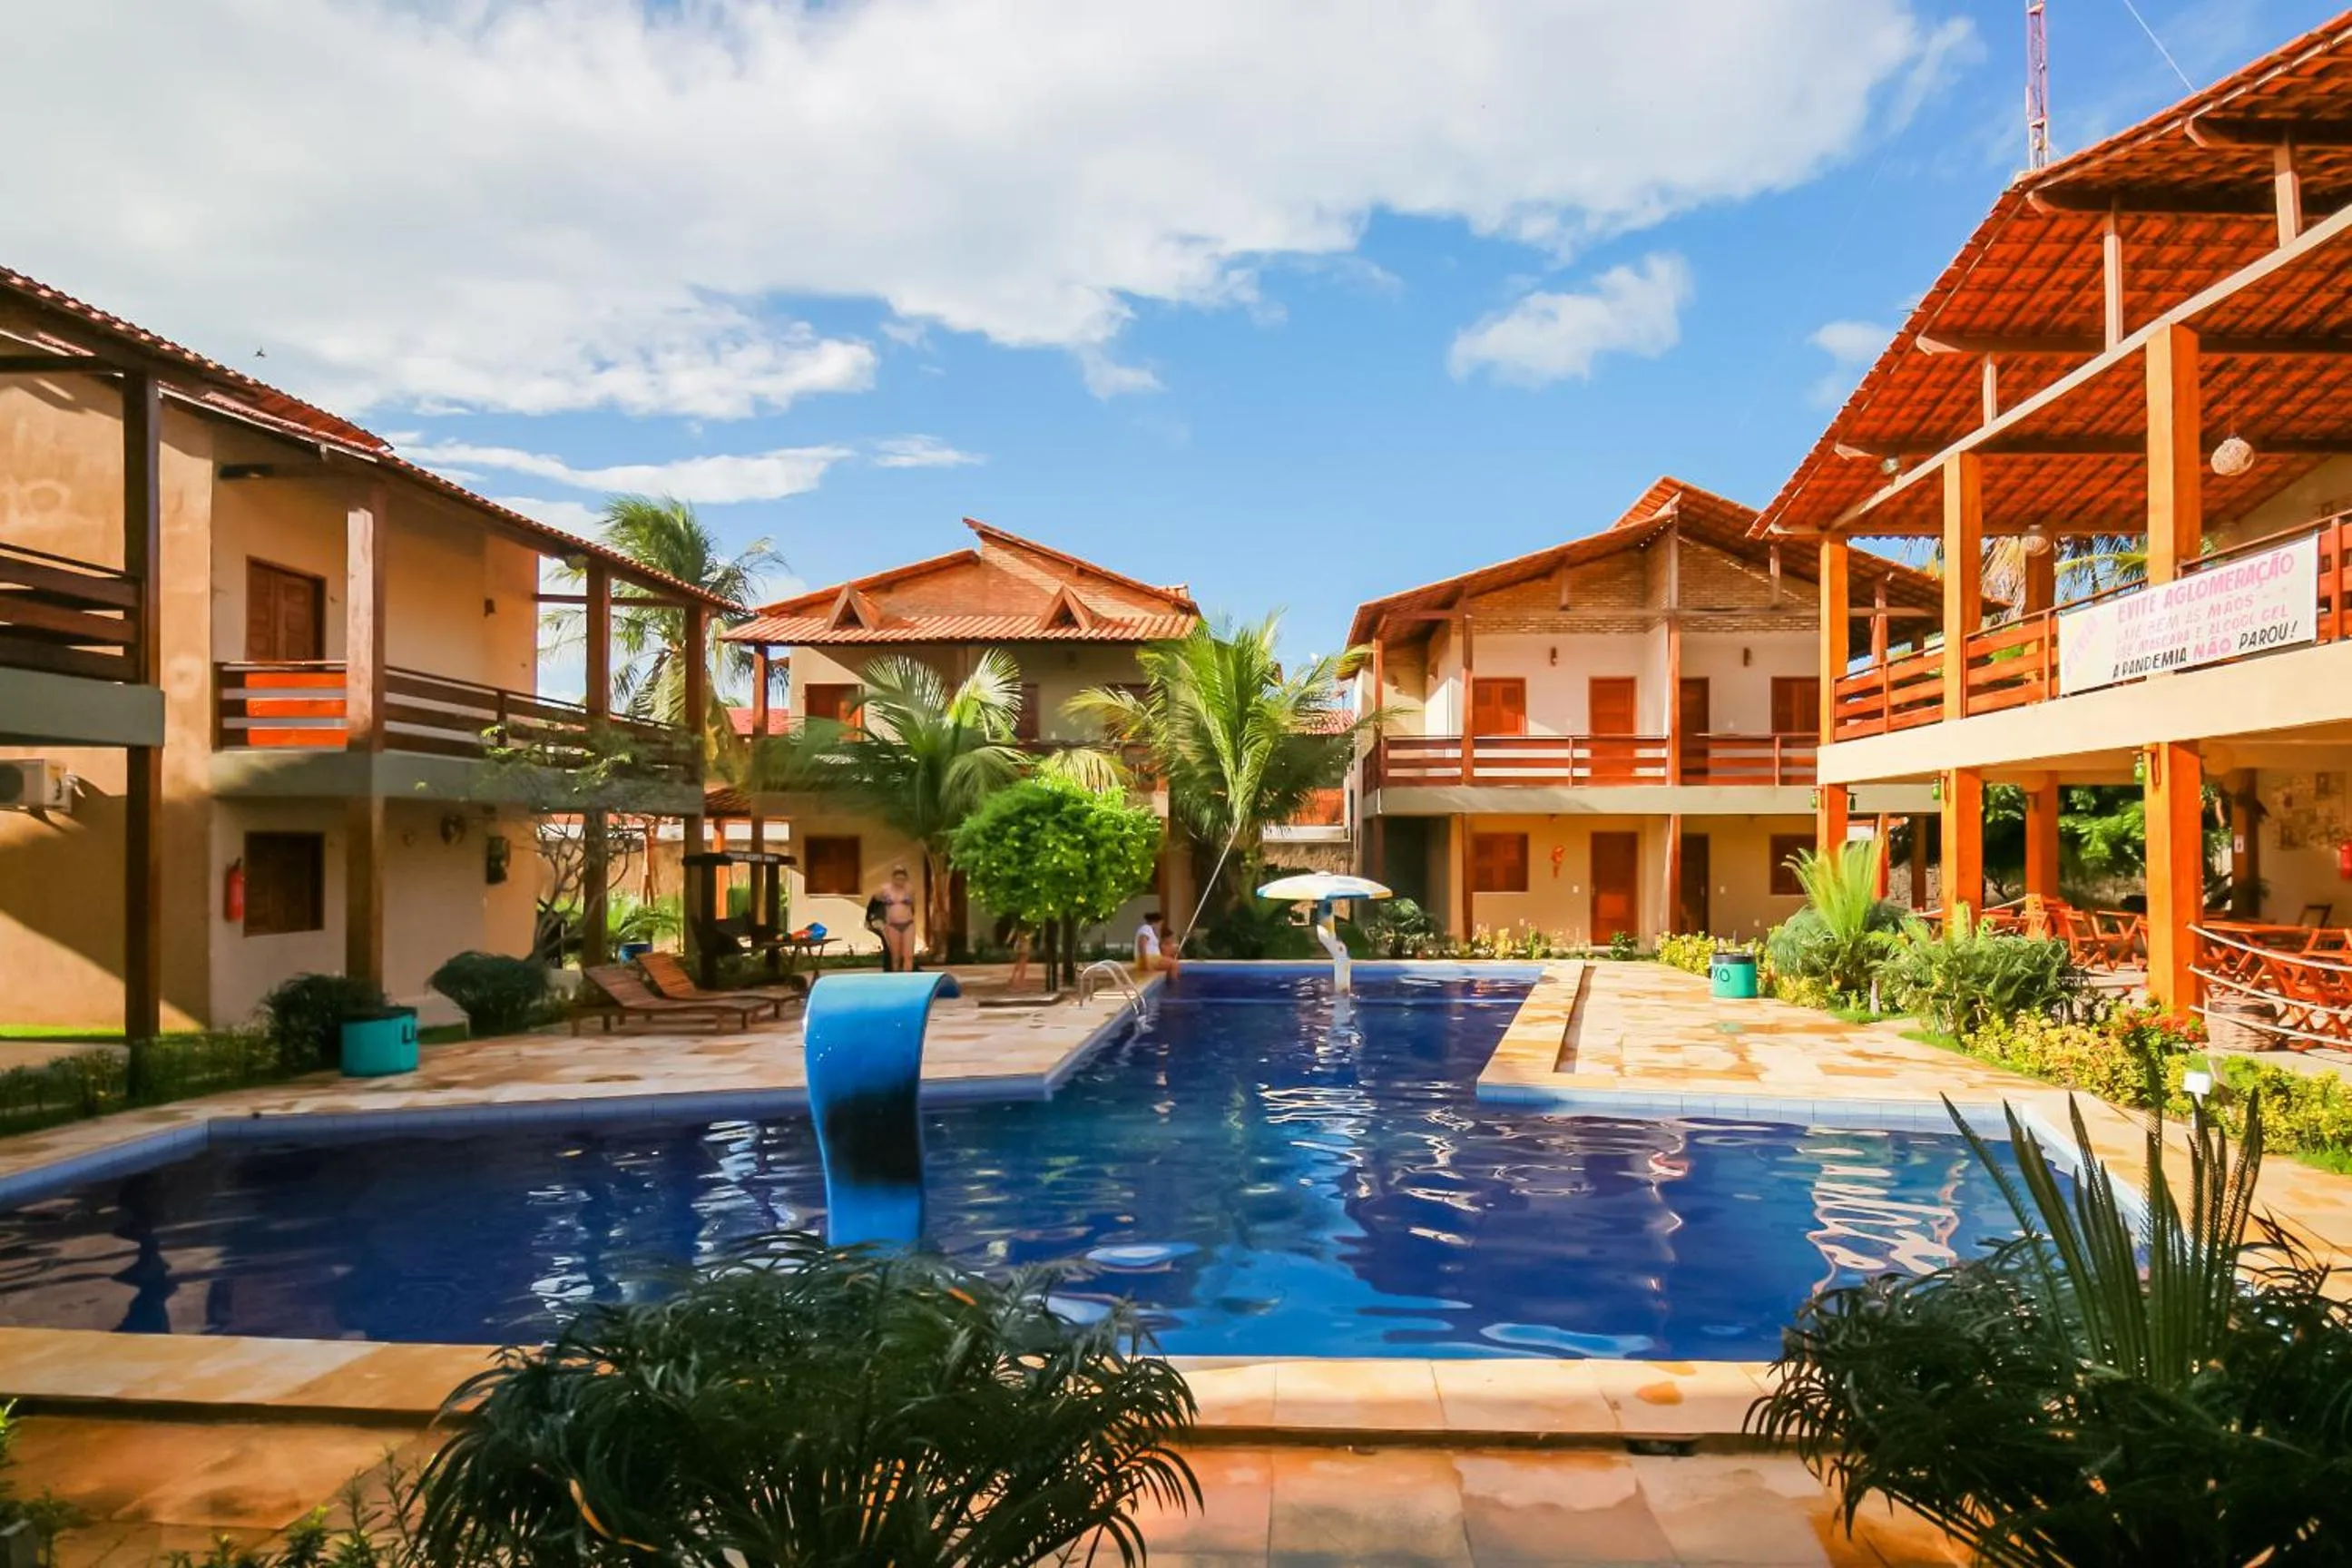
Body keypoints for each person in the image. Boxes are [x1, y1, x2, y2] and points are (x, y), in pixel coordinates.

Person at [875, 866, 918, 973]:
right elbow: (875, 900)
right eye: (898, 879)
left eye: (902, 879)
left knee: (908, 955)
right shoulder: (885, 889)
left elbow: (914, 906)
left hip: (908, 924)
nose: (900, 882)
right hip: (892, 925)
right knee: (895, 956)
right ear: (893, 878)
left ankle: (907, 978)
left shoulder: (909, 889)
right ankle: (896, 978)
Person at [1134, 910, 1180, 977]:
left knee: (1173, 963)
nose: (1160, 927)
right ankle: (1174, 986)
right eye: (1160, 924)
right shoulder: (1146, 928)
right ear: (1155, 922)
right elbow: (1141, 945)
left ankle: (1170, 983)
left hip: (1153, 959)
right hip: (1148, 959)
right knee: (1174, 964)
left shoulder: (1151, 931)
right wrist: (1146, 963)